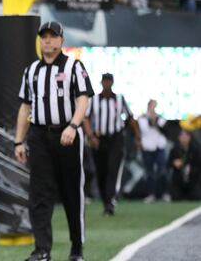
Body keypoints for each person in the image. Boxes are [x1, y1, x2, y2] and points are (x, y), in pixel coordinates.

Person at [14, 21, 94, 261]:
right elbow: (25, 106)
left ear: (61, 40)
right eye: (44, 36)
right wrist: (19, 141)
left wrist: (73, 125)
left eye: (52, 36)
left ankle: (76, 248)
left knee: (72, 193)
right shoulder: (32, 70)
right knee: (39, 194)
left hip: (66, 135)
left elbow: (83, 99)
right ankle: (42, 250)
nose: (47, 40)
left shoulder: (74, 66)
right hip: (39, 135)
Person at [86, 73, 141, 215]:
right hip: (99, 139)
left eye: (109, 81)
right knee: (101, 172)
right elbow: (85, 118)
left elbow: (130, 118)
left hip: (116, 139)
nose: (107, 84)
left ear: (112, 83)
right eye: (105, 81)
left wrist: (137, 137)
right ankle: (106, 201)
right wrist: (91, 136)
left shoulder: (119, 99)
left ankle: (110, 202)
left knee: (113, 170)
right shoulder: (94, 100)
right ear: (101, 82)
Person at [138, 100, 170, 203]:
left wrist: (155, 120)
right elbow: (143, 131)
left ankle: (164, 193)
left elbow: (165, 131)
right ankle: (151, 194)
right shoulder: (142, 119)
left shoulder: (160, 118)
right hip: (147, 147)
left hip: (159, 146)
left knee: (162, 170)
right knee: (149, 171)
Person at [168, 129, 201, 201]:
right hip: (179, 180)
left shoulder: (195, 149)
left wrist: (190, 168)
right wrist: (174, 163)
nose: (184, 138)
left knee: (196, 196)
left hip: (192, 179)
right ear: (179, 138)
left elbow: (198, 164)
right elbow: (168, 163)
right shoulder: (175, 149)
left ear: (189, 137)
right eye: (182, 136)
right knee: (175, 197)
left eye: (185, 136)